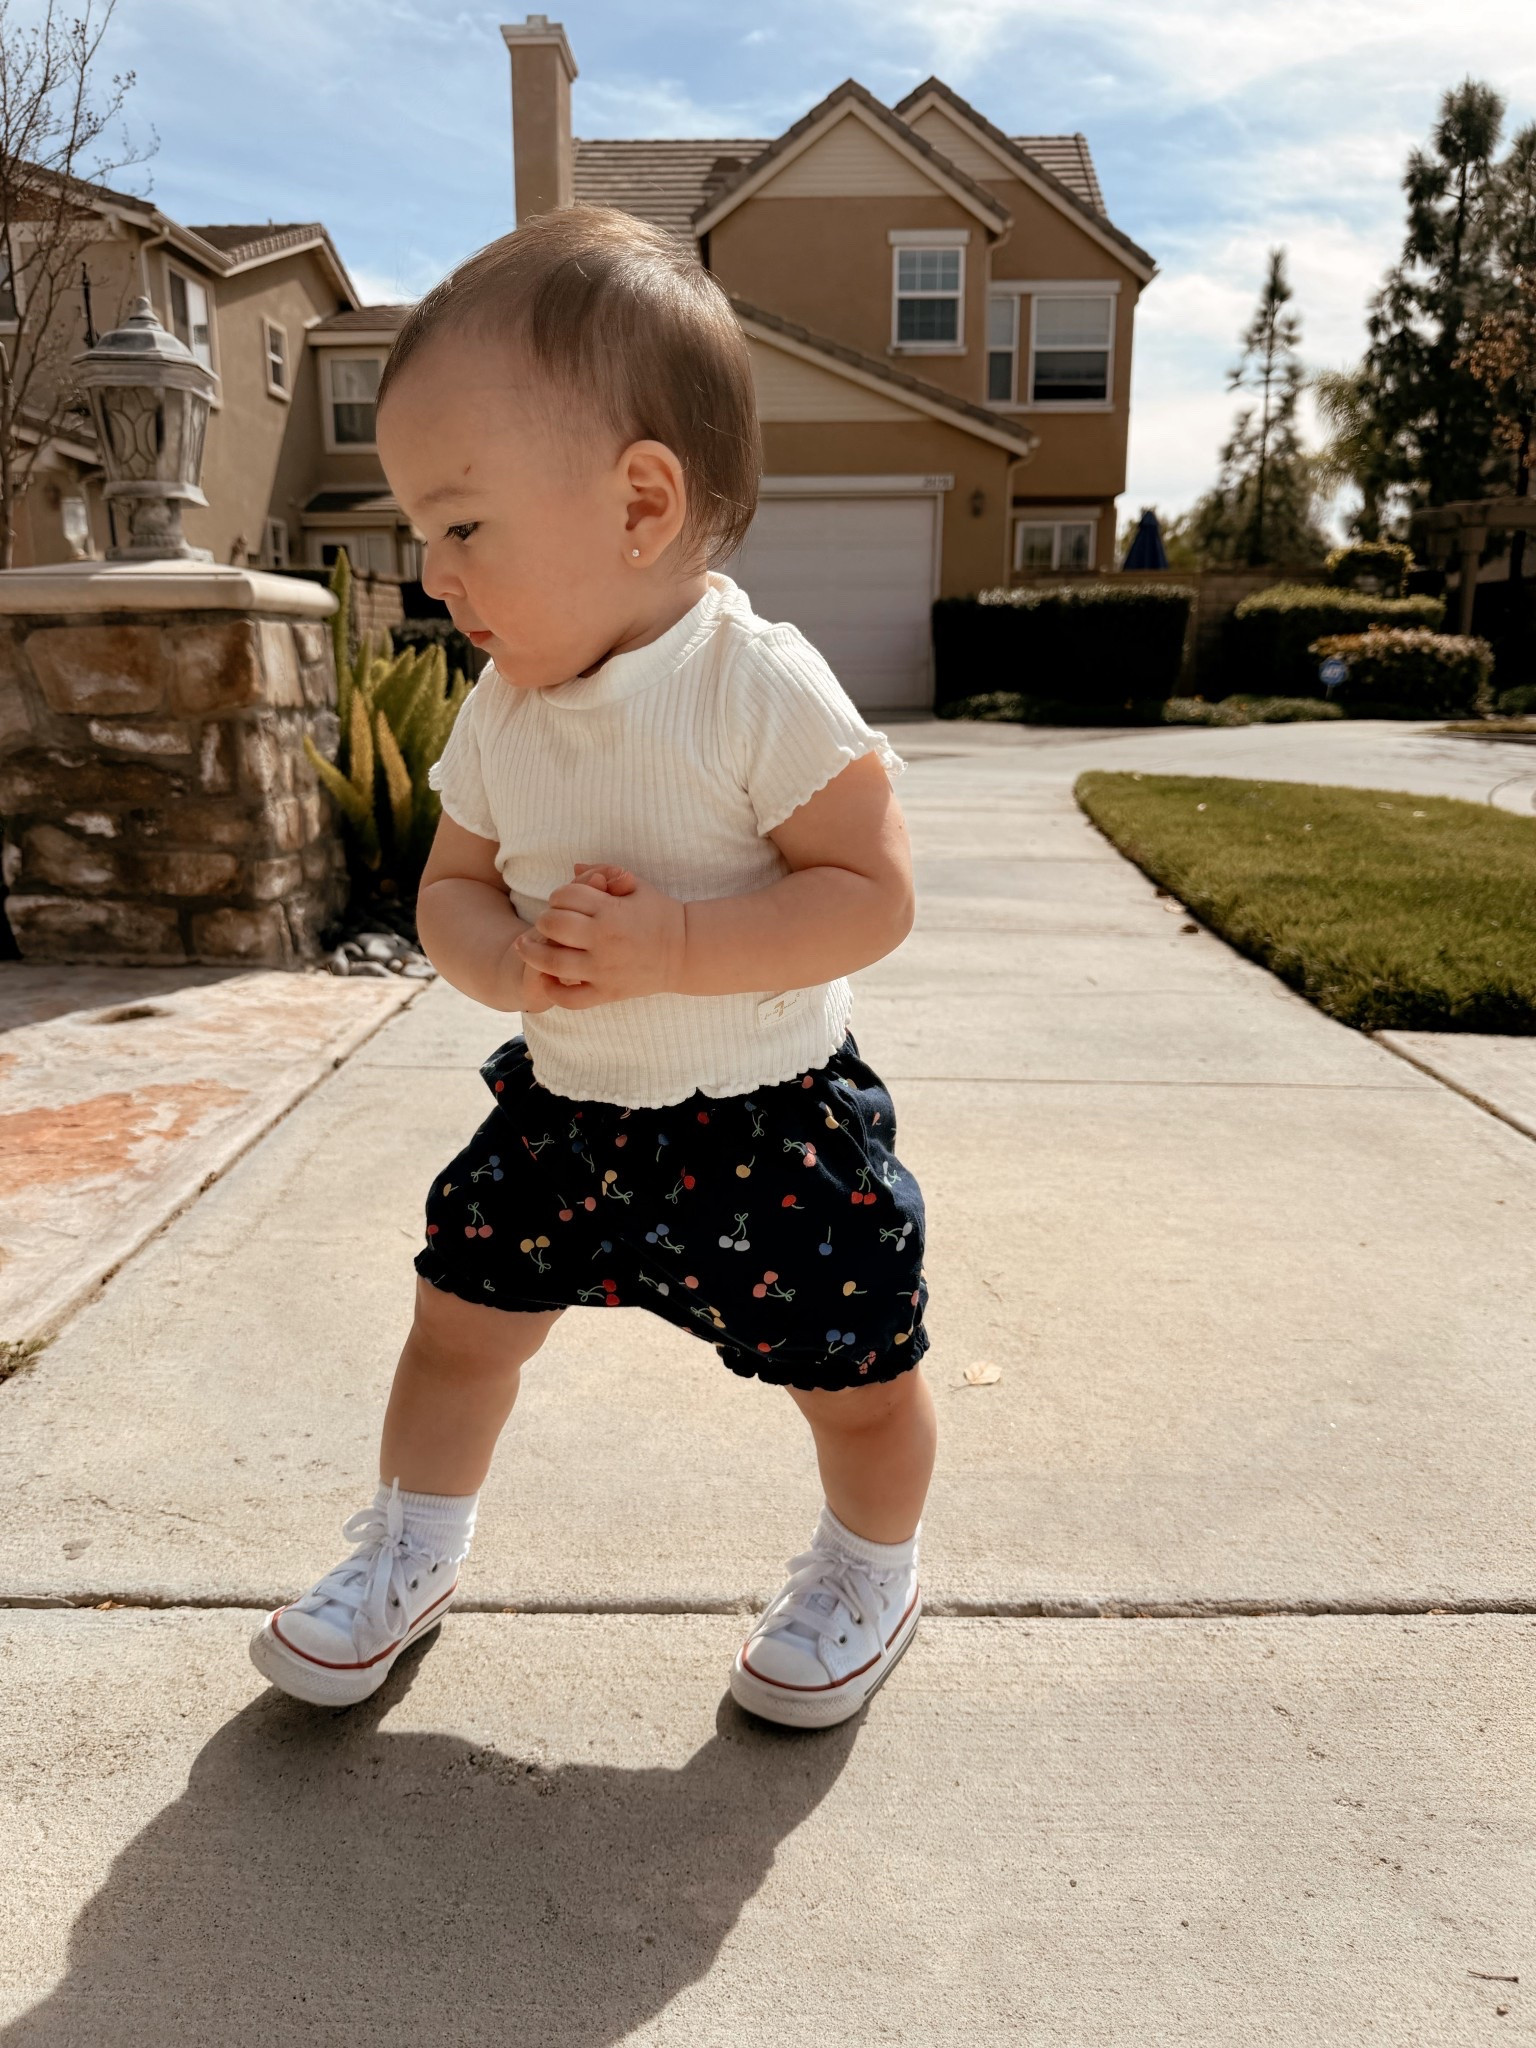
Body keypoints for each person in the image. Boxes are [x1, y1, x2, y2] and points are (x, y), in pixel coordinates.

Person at [249, 207, 934, 1730]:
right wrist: (503, 962)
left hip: (767, 1121)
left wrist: (684, 945)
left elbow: (871, 891)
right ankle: (411, 1548)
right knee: (455, 1324)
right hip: (567, 1118)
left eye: (464, 525)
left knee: (863, 1378)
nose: (432, 574)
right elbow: (452, 887)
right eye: (421, 533)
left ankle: (866, 1568)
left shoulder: (749, 684)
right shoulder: (503, 706)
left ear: (640, 503)